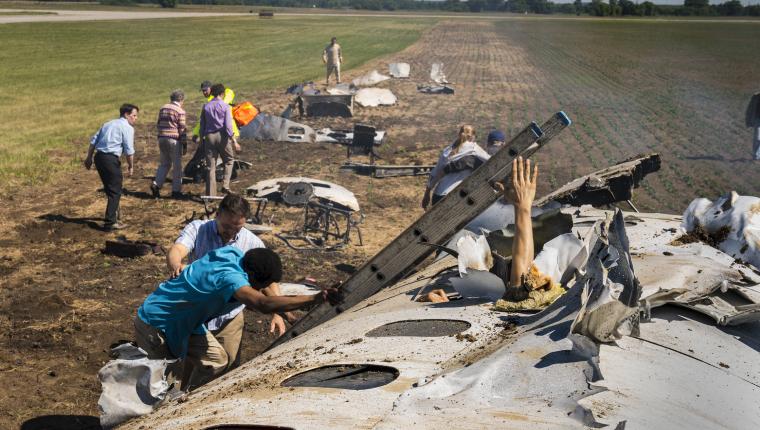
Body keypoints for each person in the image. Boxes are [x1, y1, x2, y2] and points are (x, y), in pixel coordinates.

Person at [135, 246, 339, 391]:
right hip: (157, 322)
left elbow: (267, 292)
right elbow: (262, 303)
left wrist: (290, 316)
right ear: (251, 276)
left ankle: (185, 398)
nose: (259, 289)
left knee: (217, 361)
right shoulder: (229, 278)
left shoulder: (235, 255)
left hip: (186, 322)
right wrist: (315, 298)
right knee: (161, 386)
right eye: (258, 285)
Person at [166, 193, 291, 376]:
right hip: (193, 313)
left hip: (228, 316)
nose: (231, 232)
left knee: (226, 369)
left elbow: (267, 281)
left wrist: (277, 312)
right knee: (181, 368)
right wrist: (176, 265)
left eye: (237, 228)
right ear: (217, 214)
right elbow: (177, 250)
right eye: (226, 226)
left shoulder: (252, 242)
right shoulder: (198, 229)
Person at [84, 103, 139, 230]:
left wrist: (89, 158)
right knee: (115, 190)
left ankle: (115, 216)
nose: (136, 118)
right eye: (134, 115)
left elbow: (93, 142)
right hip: (110, 159)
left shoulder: (108, 123)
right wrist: (131, 166)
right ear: (126, 115)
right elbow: (129, 150)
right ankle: (110, 222)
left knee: (110, 188)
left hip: (99, 158)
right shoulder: (127, 128)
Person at [421, 125, 490, 210]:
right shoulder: (473, 148)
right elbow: (491, 160)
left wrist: (427, 194)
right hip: (455, 196)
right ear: (472, 137)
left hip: (438, 196)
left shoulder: (447, 150)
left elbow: (434, 174)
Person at [200, 84, 239, 196]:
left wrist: (201, 140)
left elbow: (202, 124)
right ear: (222, 93)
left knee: (210, 167)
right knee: (229, 160)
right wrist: (234, 140)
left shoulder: (206, 106)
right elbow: (228, 125)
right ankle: (225, 185)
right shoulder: (225, 106)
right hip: (222, 136)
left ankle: (211, 194)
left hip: (209, 137)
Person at [151, 90, 187, 199]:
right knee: (177, 166)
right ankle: (176, 191)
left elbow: (158, 123)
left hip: (162, 138)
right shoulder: (180, 111)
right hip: (174, 140)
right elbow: (182, 128)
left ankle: (156, 184)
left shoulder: (163, 108)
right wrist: (184, 143)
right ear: (181, 99)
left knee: (164, 164)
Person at [191, 81, 238, 145]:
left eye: (205, 90)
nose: (204, 92)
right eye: (202, 91)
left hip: (228, 133)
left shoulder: (220, 97)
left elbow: (229, 91)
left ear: (211, 88)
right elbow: (203, 121)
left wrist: (220, 103)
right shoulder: (209, 103)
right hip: (221, 134)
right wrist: (196, 133)